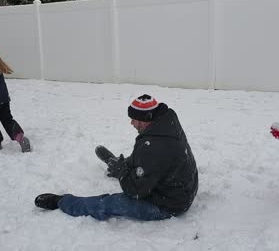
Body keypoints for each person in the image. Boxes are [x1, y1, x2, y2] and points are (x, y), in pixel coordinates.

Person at [35, 94, 198, 221]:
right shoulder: (165, 124)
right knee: (139, 160)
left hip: (169, 204)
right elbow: (151, 160)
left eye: (134, 119)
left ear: (146, 120)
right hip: (182, 189)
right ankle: (118, 164)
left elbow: (134, 192)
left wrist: (122, 173)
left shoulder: (152, 147)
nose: (132, 123)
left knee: (111, 203)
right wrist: (125, 166)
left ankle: (63, 202)